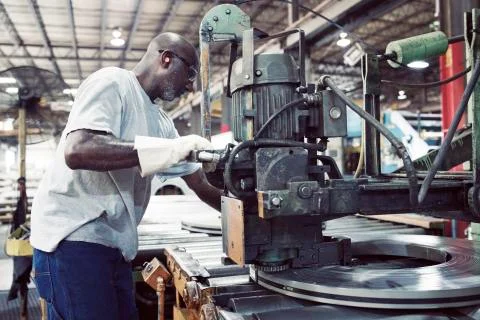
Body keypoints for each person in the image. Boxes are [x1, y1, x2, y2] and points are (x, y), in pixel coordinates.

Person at [30, 32, 222, 320]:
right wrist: (168, 149)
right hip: (73, 241)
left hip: (115, 248)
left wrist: (247, 213)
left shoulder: (162, 123)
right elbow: (78, 150)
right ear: (166, 58)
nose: (191, 85)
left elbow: (199, 183)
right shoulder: (113, 82)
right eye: (190, 73)